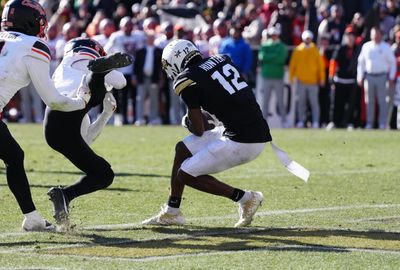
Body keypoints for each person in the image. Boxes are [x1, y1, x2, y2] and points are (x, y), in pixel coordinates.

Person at [142, 39, 272, 228]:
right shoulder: (221, 59)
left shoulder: (186, 79)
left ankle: (246, 198)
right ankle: (172, 212)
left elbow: (200, 129)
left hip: (243, 140)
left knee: (185, 174)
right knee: (182, 149)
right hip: (251, 129)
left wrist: (189, 121)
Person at [0, 0, 91, 231]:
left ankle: (32, 218)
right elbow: (53, 100)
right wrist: (82, 102)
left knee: (13, 156)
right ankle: (32, 218)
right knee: (13, 157)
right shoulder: (31, 45)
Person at [44, 38, 132, 225]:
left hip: (54, 126)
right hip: (73, 106)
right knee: (94, 94)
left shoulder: (62, 67)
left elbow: (85, 140)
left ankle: (64, 196)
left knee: (104, 174)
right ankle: (98, 74)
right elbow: (121, 81)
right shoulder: (85, 62)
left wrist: (106, 115)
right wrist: (105, 71)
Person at [357, 27, 396, 129]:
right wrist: (360, 76)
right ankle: (369, 123)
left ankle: (382, 123)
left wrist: (391, 76)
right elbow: (361, 62)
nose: (375, 36)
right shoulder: (366, 46)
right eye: (373, 34)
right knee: (369, 102)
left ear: (380, 35)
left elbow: (392, 63)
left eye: (377, 34)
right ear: (371, 35)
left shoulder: (386, 47)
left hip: (382, 77)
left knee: (382, 101)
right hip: (369, 77)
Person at [289, 30, 325, 128]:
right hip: (301, 81)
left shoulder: (315, 50)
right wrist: (291, 77)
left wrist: (322, 78)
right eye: (306, 38)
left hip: (313, 82)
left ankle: (316, 122)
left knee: (314, 104)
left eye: (309, 38)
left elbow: (320, 66)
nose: (307, 40)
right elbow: (292, 65)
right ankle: (301, 121)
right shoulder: (298, 50)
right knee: (301, 103)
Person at [256, 26, 288, 127]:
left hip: (278, 77)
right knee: (265, 101)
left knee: (280, 101)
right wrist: (274, 56)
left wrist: (269, 58)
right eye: (272, 35)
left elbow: (281, 59)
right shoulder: (265, 45)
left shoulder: (282, 46)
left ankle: (284, 122)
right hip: (267, 76)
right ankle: (264, 123)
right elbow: (262, 57)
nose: (273, 36)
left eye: (275, 34)